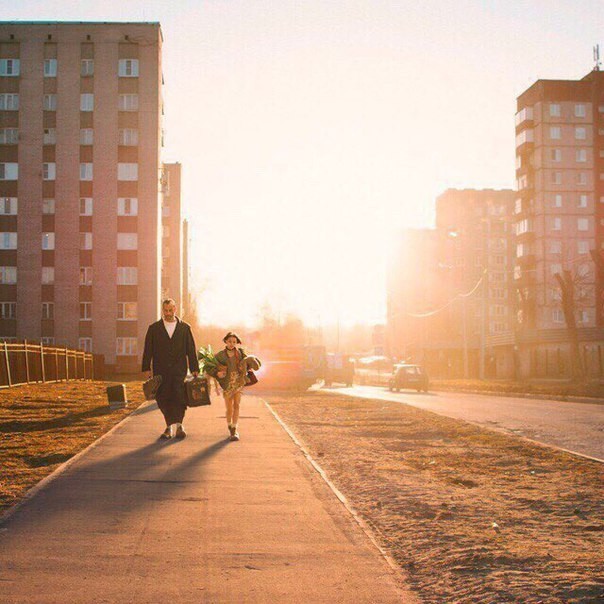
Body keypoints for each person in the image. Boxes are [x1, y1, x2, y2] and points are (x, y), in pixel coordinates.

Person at [141, 298, 199, 440]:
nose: (168, 313)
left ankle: (179, 426)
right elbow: (148, 349)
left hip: (179, 370)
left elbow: (191, 350)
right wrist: (146, 368)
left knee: (179, 397)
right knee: (163, 397)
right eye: (165, 310)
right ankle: (168, 427)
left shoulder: (185, 328)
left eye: (170, 310)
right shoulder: (154, 328)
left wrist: (194, 368)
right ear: (163, 310)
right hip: (161, 370)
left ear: (175, 309)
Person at [207, 332, 260, 441]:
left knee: (237, 405)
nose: (232, 344)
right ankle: (229, 425)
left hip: (238, 383)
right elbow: (210, 367)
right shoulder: (220, 355)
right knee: (229, 408)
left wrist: (247, 367)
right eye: (230, 341)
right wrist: (217, 373)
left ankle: (234, 429)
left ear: (237, 343)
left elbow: (250, 363)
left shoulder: (240, 353)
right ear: (225, 341)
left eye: (234, 342)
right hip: (227, 384)